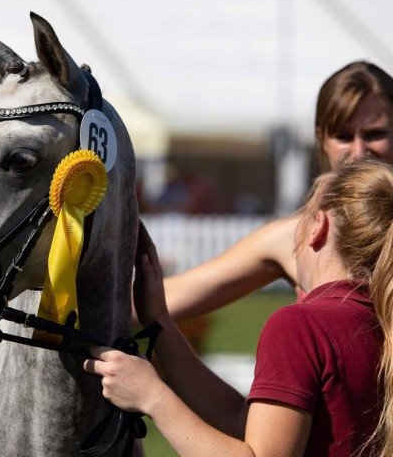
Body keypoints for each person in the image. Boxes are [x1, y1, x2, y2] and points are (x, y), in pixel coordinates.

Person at [86, 160, 393, 456]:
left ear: (317, 227)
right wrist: (160, 323)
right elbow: (242, 420)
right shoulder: (380, 319)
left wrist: (153, 397)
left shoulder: (302, 324)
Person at [162, 61, 393, 319]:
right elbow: (169, 297)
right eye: (343, 136)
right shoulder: (299, 234)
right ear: (321, 139)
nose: (359, 151)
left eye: (374, 134)